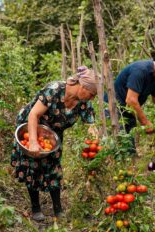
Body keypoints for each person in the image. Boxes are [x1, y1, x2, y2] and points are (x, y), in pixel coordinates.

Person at [11, 66, 99, 221]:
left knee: (54, 165)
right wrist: (32, 141)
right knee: (32, 163)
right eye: (92, 94)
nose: (92, 98)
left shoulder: (83, 102)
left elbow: (91, 125)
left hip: (53, 132)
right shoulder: (54, 90)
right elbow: (34, 114)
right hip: (31, 125)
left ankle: (58, 209)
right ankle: (36, 208)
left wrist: (95, 141)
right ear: (83, 86)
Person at [108, 60, 155, 151]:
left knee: (129, 149)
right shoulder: (140, 70)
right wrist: (145, 122)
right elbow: (131, 100)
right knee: (117, 147)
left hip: (129, 111)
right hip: (114, 109)